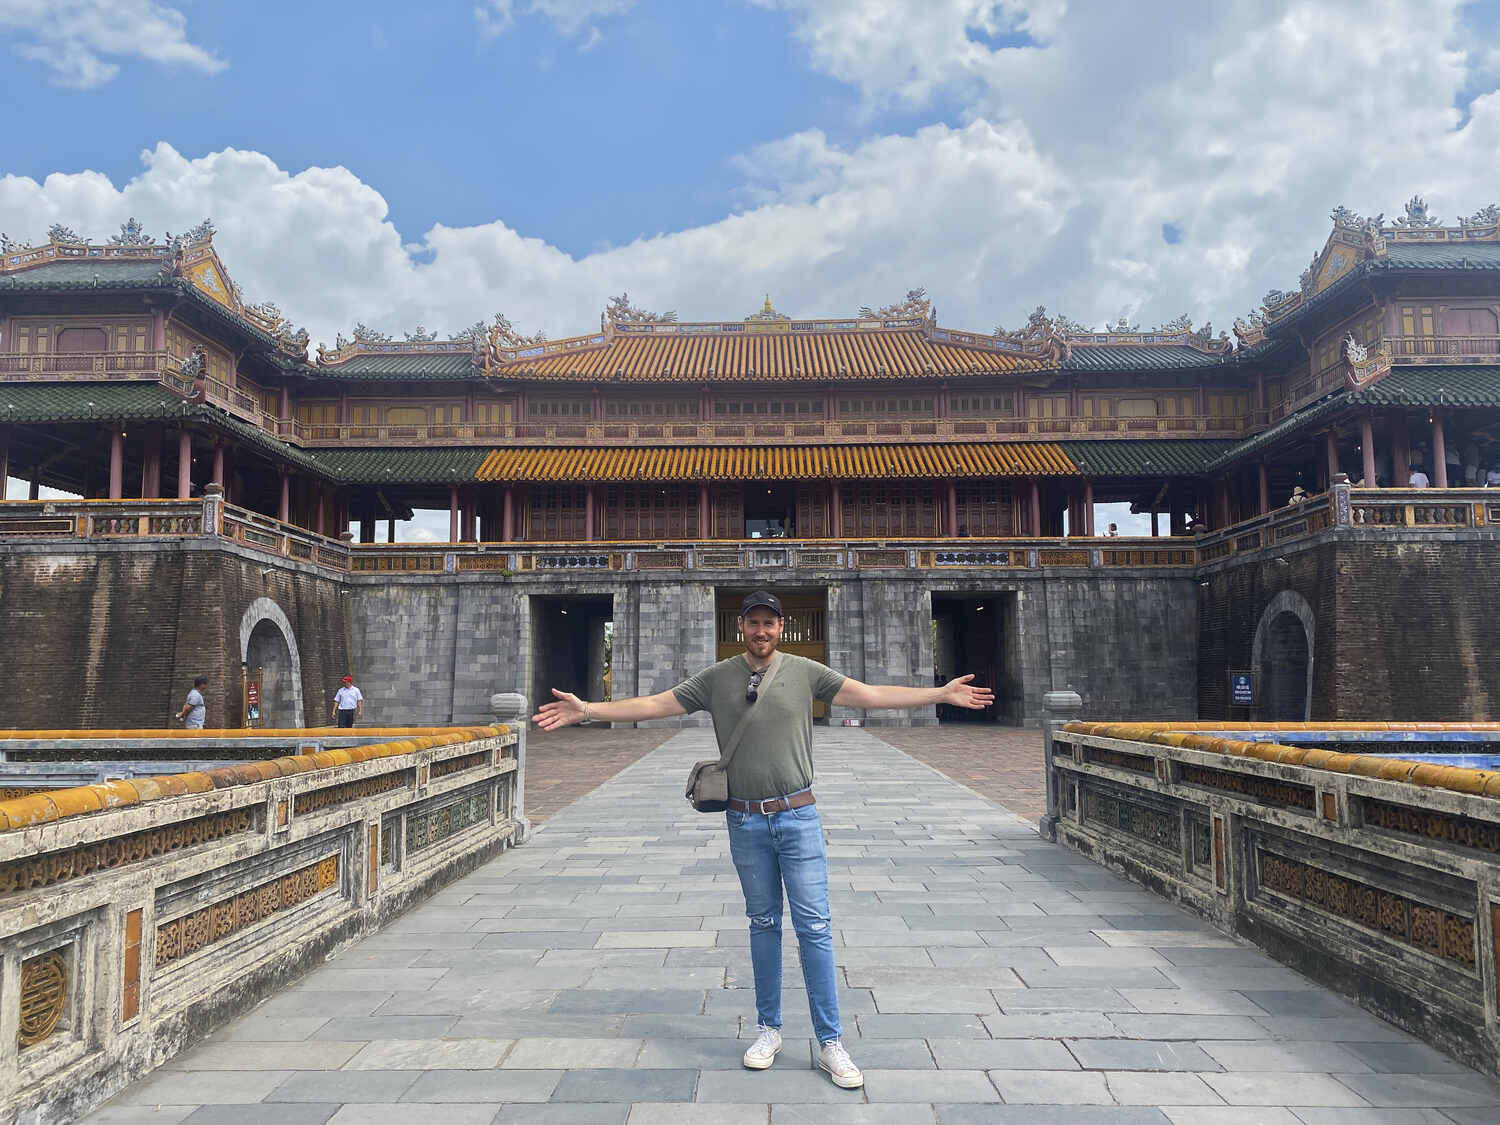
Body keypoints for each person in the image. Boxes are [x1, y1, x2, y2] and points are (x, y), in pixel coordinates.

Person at [534, 590, 993, 1090]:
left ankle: (830, 1042)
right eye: (752, 623)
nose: (760, 632)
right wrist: (589, 711)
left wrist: (939, 694)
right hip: (745, 820)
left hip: (799, 817)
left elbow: (870, 694)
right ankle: (769, 1029)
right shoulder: (716, 678)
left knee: (814, 926)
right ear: (741, 628)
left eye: (769, 624)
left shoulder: (805, 673)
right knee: (763, 923)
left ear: (781, 627)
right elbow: (657, 703)